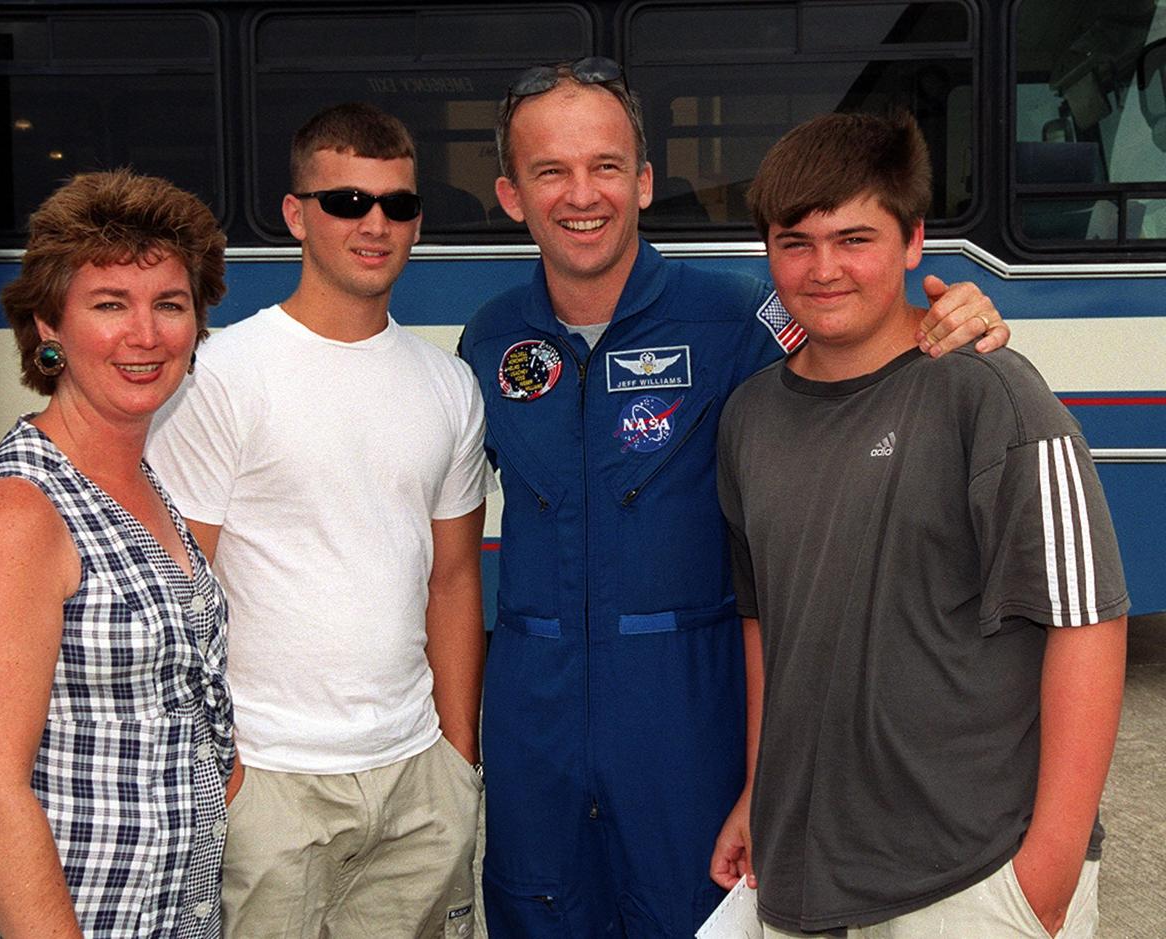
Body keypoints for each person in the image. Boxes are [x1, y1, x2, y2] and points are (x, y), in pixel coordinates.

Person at [457, 59, 1012, 937]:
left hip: (692, 722)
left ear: (643, 181)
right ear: (510, 194)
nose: (581, 195)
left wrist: (948, 324)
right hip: (535, 729)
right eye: (549, 171)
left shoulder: (738, 320)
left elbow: (855, 383)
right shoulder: (489, 339)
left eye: (605, 166)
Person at [711, 111, 1128, 937]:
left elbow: (1089, 623)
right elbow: (766, 621)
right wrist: (762, 791)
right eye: (795, 241)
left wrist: (1043, 874)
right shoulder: (749, 417)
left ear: (913, 242)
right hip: (805, 873)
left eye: (855, 237)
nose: (824, 268)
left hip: (970, 880)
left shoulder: (994, 395)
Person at [146, 102, 494, 939]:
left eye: (398, 204)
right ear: (297, 215)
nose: (375, 224)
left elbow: (452, 578)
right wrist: (219, 768)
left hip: (417, 780)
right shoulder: (220, 375)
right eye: (346, 202)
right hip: (269, 781)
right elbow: (176, 588)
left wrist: (456, 757)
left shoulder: (449, 386)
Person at [0, 169, 235, 938]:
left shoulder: (139, 483)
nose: (145, 334)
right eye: (109, 304)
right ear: (49, 324)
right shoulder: (17, 510)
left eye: (169, 304)